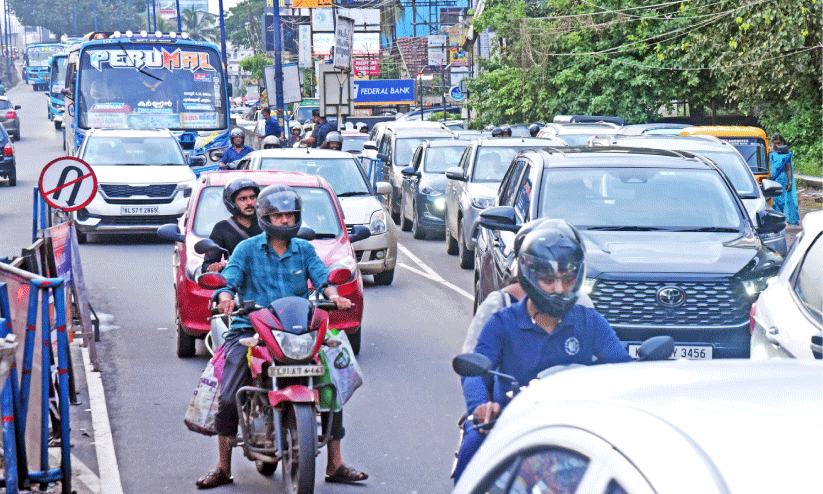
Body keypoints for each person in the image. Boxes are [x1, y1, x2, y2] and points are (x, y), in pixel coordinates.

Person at [196, 184, 368, 489]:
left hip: (297, 330)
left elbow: (322, 278)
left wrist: (334, 295)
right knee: (229, 393)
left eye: (290, 215)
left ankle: (335, 464)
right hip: (250, 329)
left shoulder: (304, 249)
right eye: (279, 216)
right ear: (265, 217)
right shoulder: (246, 249)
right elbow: (230, 278)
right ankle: (223, 466)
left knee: (332, 388)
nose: (286, 221)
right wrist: (225, 296)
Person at [453, 219, 630, 483]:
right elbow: (475, 372)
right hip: (511, 421)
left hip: (575, 421)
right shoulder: (502, 323)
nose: (559, 289)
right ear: (529, 275)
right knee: (472, 446)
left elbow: (622, 367)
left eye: (567, 279)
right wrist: (480, 408)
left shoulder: (589, 321)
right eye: (549, 280)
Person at [203, 178, 262, 273]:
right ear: (232, 202)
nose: (249, 203)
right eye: (242, 199)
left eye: (252, 197)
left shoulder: (267, 224)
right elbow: (207, 265)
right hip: (236, 282)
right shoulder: (221, 228)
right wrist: (214, 268)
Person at [769, 133, 800, 225]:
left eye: (779, 143)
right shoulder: (767, 152)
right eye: (775, 143)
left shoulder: (785, 153)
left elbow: (788, 168)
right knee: (773, 201)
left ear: (782, 143)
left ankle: (782, 219)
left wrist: (790, 182)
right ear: (772, 143)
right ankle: (774, 219)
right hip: (771, 180)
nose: (777, 145)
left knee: (782, 200)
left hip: (782, 179)